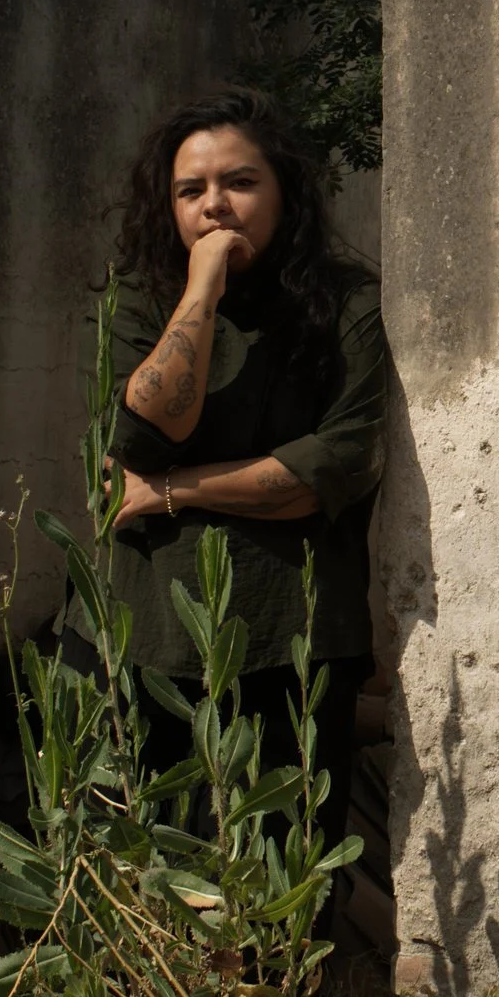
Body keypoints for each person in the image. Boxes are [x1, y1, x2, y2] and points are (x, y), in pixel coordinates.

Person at [92, 87, 385, 854]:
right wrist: (202, 290)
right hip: (151, 633)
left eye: (241, 183)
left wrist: (171, 492)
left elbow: (333, 466)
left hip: (296, 635)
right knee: (160, 865)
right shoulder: (141, 304)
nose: (215, 206)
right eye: (192, 190)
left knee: (290, 868)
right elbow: (152, 430)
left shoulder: (347, 304)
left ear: (285, 192)